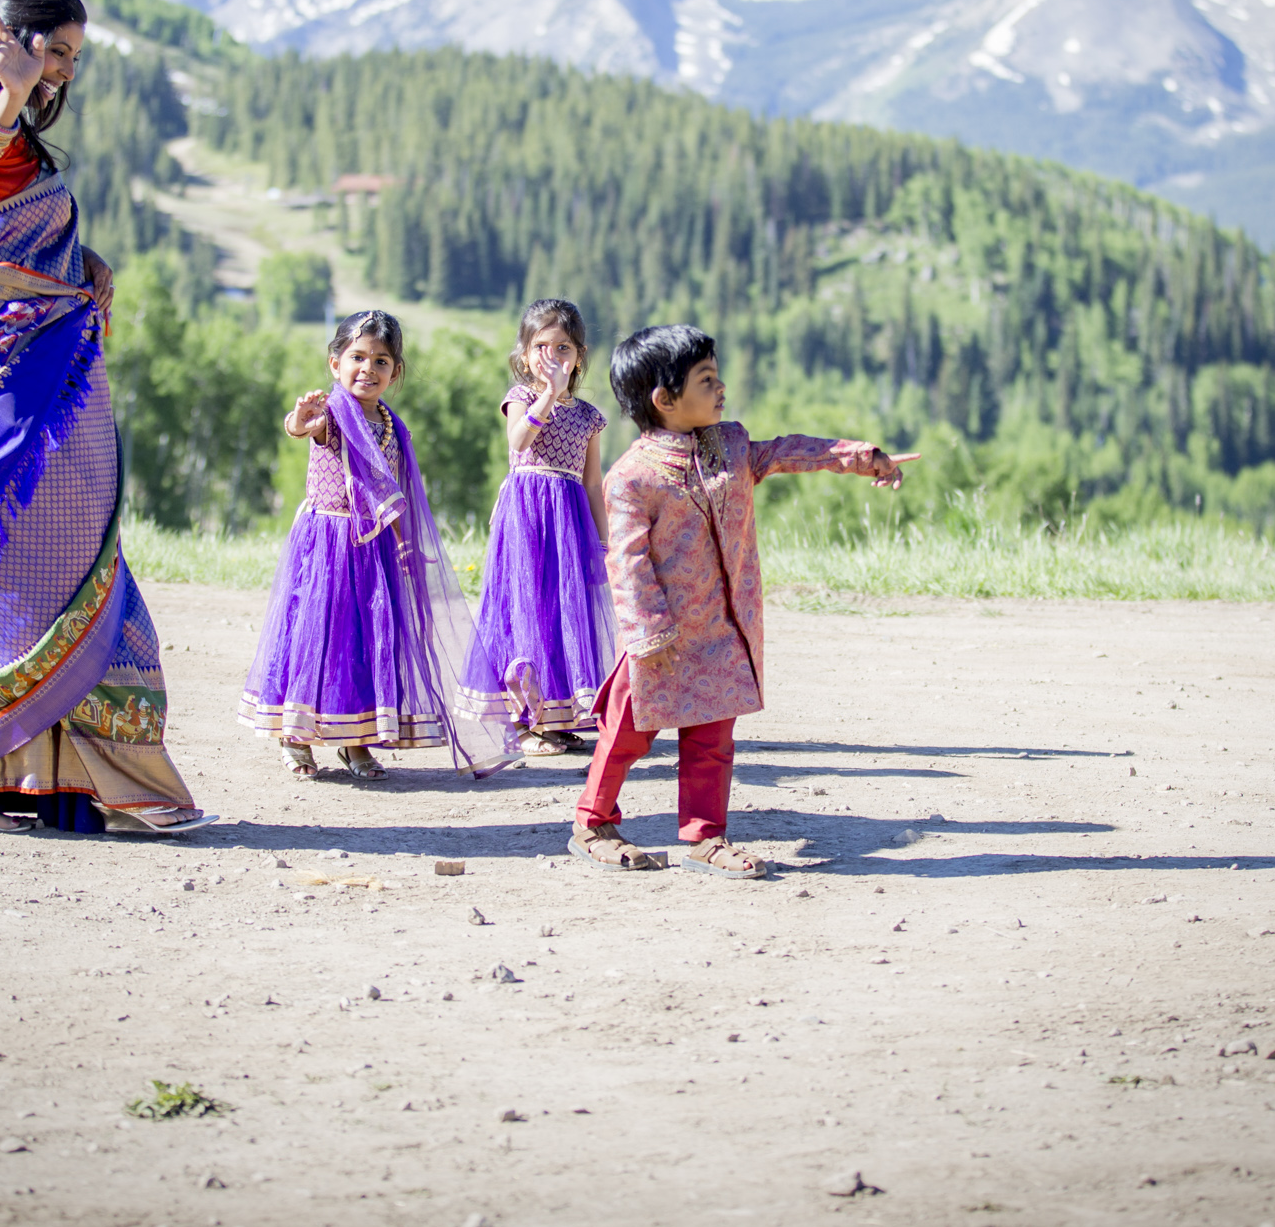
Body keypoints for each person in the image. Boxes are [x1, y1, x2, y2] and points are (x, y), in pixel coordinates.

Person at [0, 0, 210, 836]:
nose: (66, 72)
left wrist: (83, 264)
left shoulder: (13, 123)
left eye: (76, 57)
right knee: (4, 574)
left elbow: (8, 225)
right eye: (56, 53)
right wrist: (10, 93)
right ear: (7, 39)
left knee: (57, 570)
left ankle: (60, 780)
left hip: (36, 388)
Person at [570, 324, 910, 878]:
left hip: (722, 632)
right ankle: (592, 822)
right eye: (707, 378)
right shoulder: (632, 478)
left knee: (713, 741)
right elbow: (627, 564)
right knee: (625, 734)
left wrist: (860, 456)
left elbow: (785, 452)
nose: (721, 386)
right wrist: (650, 635)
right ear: (665, 398)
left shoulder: (729, 446)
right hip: (659, 640)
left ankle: (705, 838)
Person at [240, 310, 518, 781]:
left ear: (396, 372)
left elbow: (401, 493)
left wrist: (406, 546)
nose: (368, 368)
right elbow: (304, 427)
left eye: (381, 360)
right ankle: (298, 735)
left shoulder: (392, 426)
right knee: (318, 636)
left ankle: (356, 739)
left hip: (374, 553)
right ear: (334, 363)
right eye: (357, 357)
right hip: (328, 545)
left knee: (367, 642)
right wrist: (299, 419)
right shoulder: (331, 413)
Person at [459, 299, 614, 759]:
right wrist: (547, 393)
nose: (552, 357)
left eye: (562, 348)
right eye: (541, 346)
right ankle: (520, 721)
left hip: (569, 519)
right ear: (525, 354)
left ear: (580, 355)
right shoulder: (522, 397)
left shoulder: (588, 416)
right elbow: (519, 440)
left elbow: (591, 481)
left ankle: (555, 717)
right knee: (524, 607)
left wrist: (602, 540)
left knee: (562, 610)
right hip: (526, 512)